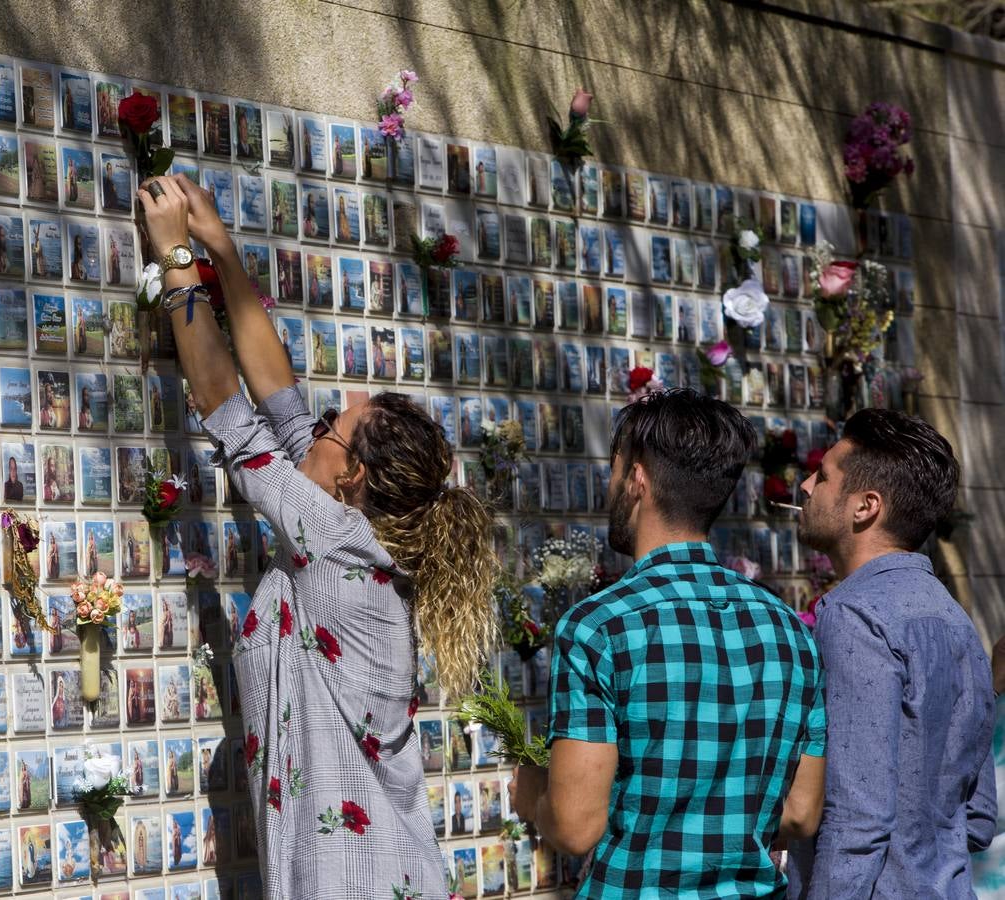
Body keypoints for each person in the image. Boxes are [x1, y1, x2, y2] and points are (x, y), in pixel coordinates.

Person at [136, 174, 497, 898]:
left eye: (336, 426)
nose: (323, 420)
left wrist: (174, 253)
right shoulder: (357, 536)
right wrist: (222, 251)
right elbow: (283, 403)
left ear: (351, 474)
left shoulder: (338, 548)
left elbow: (229, 410)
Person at [509, 389, 825, 898]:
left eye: (614, 470)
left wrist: (531, 799)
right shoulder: (791, 630)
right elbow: (801, 814)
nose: (608, 484)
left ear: (637, 480)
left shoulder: (598, 627)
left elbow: (573, 828)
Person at [787, 409, 995, 897]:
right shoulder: (954, 618)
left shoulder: (855, 616)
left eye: (824, 476)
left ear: (866, 506)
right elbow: (980, 815)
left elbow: (856, 821)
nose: (804, 486)